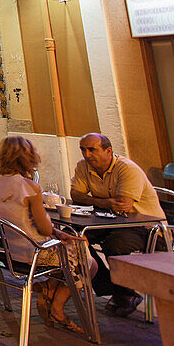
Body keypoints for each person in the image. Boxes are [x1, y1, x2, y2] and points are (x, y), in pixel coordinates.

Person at [0, 136, 94, 333]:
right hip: (34, 253)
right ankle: (57, 307)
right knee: (88, 261)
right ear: (29, 158)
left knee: (74, 251)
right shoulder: (29, 187)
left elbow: (20, 218)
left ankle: (48, 288)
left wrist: (56, 232)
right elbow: (43, 229)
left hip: (7, 250)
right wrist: (54, 229)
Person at [70, 132, 163, 316]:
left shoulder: (127, 169)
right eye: (83, 149)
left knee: (115, 244)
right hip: (109, 221)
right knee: (72, 238)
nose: (86, 155)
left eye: (92, 150)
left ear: (108, 151)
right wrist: (105, 202)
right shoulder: (83, 166)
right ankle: (116, 290)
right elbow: (76, 196)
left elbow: (123, 205)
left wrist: (94, 200)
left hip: (146, 226)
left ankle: (123, 294)